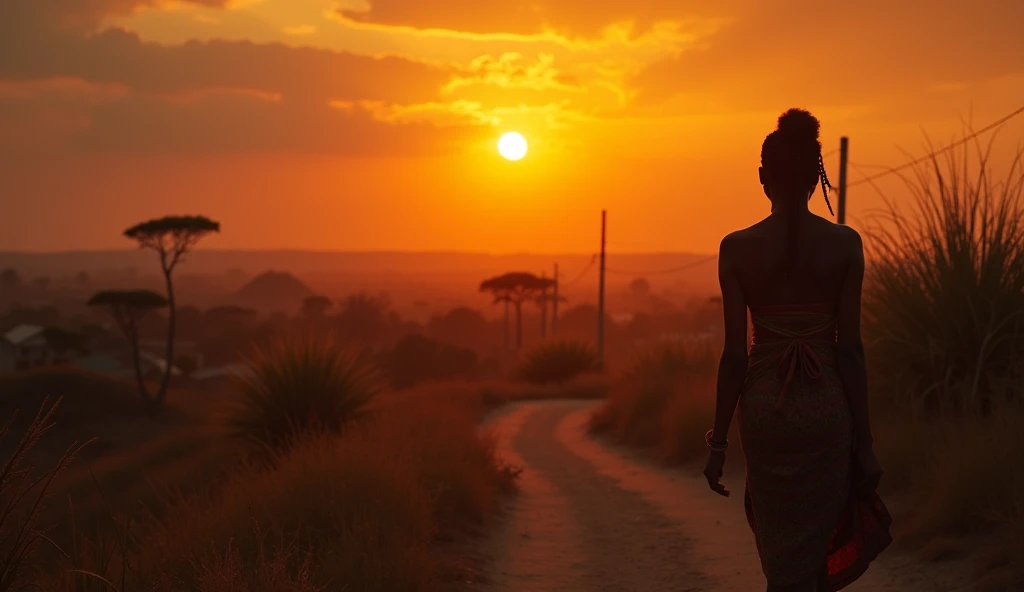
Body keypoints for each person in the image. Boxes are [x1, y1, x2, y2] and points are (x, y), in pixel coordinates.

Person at [702, 108, 892, 592]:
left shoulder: (735, 248)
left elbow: (734, 358)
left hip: (766, 413)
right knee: (813, 550)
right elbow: (849, 351)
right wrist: (865, 447)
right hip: (827, 410)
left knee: (780, 550)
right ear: (816, 176)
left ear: (763, 176)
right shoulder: (845, 245)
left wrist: (718, 444)